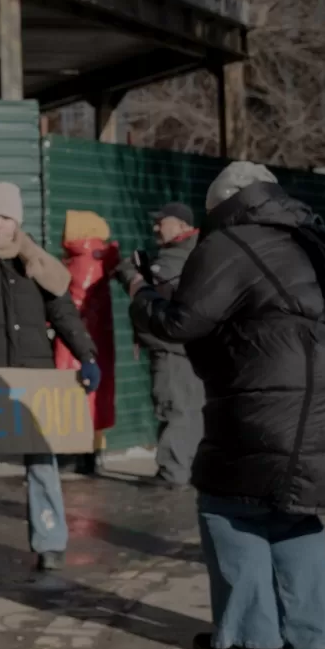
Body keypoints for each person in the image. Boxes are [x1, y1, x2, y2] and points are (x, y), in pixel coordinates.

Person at [132, 162, 325, 649]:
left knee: (228, 505)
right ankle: (313, 639)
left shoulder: (229, 243)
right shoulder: (315, 235)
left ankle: (254, 638)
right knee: (293, 509)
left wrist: (141, 296)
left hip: (272, 399)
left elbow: (182, 323)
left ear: (221, 206)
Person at [0, 181, 100, 571]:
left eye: (4, 217)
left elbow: (64, 314)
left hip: (35, 378)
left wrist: (87, 355)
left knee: (41, 458)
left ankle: (50, 542)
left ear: (17, 220)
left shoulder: (38, 264)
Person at [131, 202, 204, 487]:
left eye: (162, 222)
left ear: (182, 225)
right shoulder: (196, 252)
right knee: (189, 409)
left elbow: (153, 304)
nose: (155, 227)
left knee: (174, 408)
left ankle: (172, 473)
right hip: (190, 349)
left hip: (172, 349)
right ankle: (185, 469)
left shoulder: (175, 258)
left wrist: (135, 280)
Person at [55, 211, 118, 476]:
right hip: (97, 337)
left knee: (73, 390)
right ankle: (91, 452)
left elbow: (73, 302)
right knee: (94, 395)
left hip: (77, 338)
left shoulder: (83, 260)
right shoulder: (97, 256)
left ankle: (72, 453)